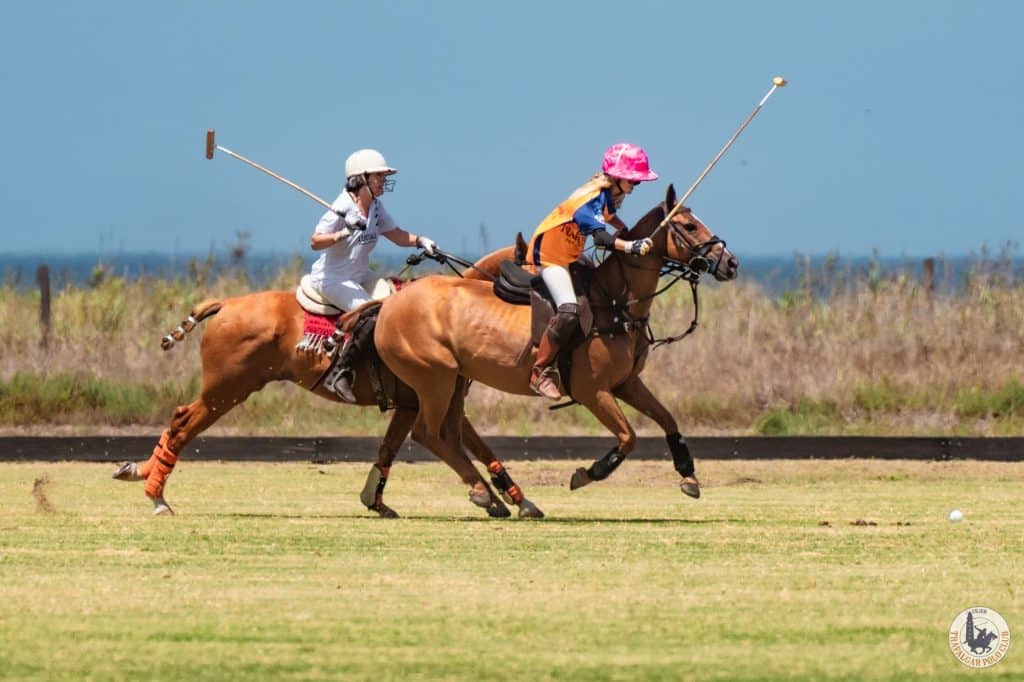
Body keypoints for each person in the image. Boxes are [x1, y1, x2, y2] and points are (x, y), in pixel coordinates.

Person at [525, 143, 658, 399]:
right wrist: (630, 245)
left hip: (571, 257)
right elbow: (600, 239)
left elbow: (607, 218)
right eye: (634, 180)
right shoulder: (589, 200)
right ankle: (539, 372)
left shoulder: (607, 195)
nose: (636, 186)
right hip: (551, 260)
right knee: (569, 310)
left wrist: (623, 228)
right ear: (618, 177)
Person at [308, 148, 438, 402]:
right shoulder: (342, 206)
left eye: (383, 176)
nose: (383, 181)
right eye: (379, 176)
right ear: (362, 178)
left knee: (394, 305)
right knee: (370, 315)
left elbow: (397, 235)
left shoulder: (376, 208)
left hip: (360, 274)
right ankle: (340, 373)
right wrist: (341, 234)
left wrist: (421, 241)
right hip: (332, 278)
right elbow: (315, 242)